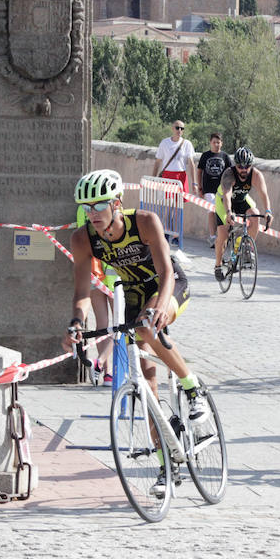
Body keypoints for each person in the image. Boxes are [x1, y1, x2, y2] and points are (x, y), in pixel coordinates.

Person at [63, 170, 208, 490]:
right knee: (148, 389)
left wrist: (159, 307)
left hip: (167, 285)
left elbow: (167, 271)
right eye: (86, 208)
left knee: (145, 329)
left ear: (117, 203)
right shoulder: (82, 238)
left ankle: (192, 387)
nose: (92, 214)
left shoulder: (143, 221)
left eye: (99, 206)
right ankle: (165, 465)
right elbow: (82, 293)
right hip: (133, 296)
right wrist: (76, 323)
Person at [75, 202, 118, 385]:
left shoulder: (81, 210)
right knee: (119, 324)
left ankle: (106, 371)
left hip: (93, 271)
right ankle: (102, 365)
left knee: (102, 324)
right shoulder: (114, 209)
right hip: (114, 272)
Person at [213, 147, 272, 281]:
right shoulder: (229, 174)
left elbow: (264, 195)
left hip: (241, 199)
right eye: (240, 166)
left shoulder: (256, 175)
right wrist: (228, 213)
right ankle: (217, 265)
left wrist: (268, 211)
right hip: (224, 202)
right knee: (223, 234)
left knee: (255, 215)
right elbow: (227, 196)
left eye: (247, 166)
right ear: (235, 165)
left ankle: (246, 248)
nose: (244, 170)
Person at [196, 132, 233, 248]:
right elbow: (199, 171)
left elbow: (231, 173)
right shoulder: (205, 155)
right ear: (210, 143)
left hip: (222, 189)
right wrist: (199, 187)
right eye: (214, 142)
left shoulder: (225, 156)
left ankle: (224, 237)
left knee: (223, 212)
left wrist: (231, 188)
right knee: (211, 212)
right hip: (209, 189)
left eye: (218, 142)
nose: (216, 144)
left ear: (221, 143)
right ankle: (212, 237)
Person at [151, 120, 196, 196]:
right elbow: (157, 162)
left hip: (181, 176)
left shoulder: (187, 144)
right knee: (168, 203)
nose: (179, 130)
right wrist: (153, 179)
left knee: (179, 204)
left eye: (182, 128)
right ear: (172, 129)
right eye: (177, 128)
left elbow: (191, 164)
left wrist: (194, 183)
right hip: (167, 176)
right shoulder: (164, 143)